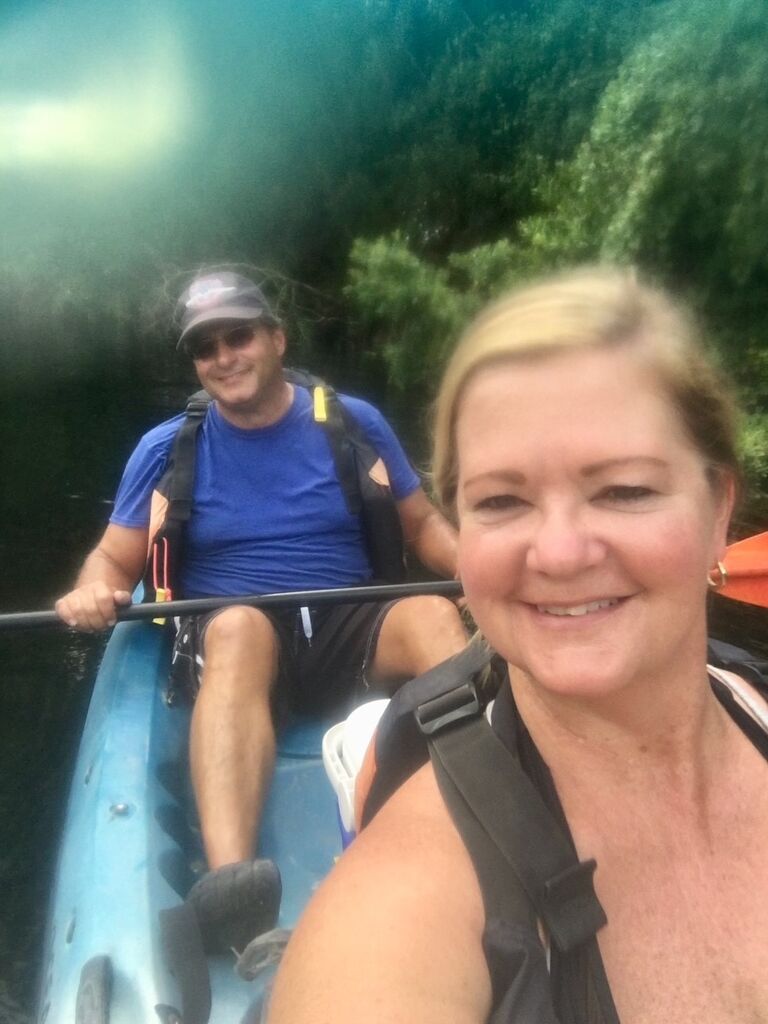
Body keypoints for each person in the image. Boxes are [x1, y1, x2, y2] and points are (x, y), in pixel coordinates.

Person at [267, 266, 768, 1023]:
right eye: (501, 501)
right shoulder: (396, 920)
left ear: (719, 507)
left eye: (625, 489)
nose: (560, 554)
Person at [55, 269, 467, 952]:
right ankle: (234, 894)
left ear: (277, 339)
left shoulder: (353, 424)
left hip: (347, 621)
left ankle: (492, 832)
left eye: (238, 336)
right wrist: (91, 589)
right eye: (206, 348)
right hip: (234, 633)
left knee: (429, 613)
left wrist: (475, 568)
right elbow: (111, 561)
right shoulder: (166, 449)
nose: (224, 358)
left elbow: (423, 526)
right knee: (243, 627)